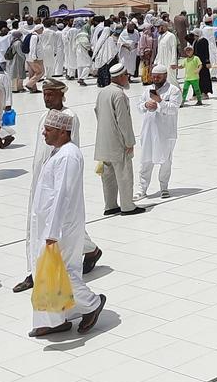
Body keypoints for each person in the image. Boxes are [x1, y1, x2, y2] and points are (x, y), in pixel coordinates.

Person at [14, 80, 100, 293]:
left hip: (57, 179)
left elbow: (71, 149)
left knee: (59, 225)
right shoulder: (44, 117)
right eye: (44, 94)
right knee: (34, 224)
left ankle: (38, 271)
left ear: (62, 95)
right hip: (41, 178)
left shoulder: (69, 117)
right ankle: (33, 269)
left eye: (51, 95)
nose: (47, 98)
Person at [28, 109, 107, 337]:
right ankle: (55, 319)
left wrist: (52, 232)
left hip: (60, 228)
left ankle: (92, 304)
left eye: (49, 129)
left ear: (63, 132)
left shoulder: (68, 155)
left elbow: (62, 195)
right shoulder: (58, 152)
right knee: (47, 274)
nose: (44, 132)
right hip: (49, 226)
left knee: (62, 274)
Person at [94, 63, 141, 216]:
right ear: (120, 77)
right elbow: (123, 121)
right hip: (117, 142)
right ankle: (127, 206)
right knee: (124, 174)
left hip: (103, 141)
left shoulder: (103, 92)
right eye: (126, 75)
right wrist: (129, 142)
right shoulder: (119, 94)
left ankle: (111, 205)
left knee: (108, 177)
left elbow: (97, 113)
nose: (127, 78)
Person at [137, 64, 178, 199]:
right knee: (146, 161)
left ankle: (164, 187)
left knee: (165, 161)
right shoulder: (147, 90)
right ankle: (142, 189)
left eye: (158, 77)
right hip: (148, 132)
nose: (155, 79)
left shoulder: (173, 90)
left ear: (165, 76)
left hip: (165, 134)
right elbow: (139, 107)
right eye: (153, 77)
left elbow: (173, 109)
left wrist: (159, 102)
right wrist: (145, 105)